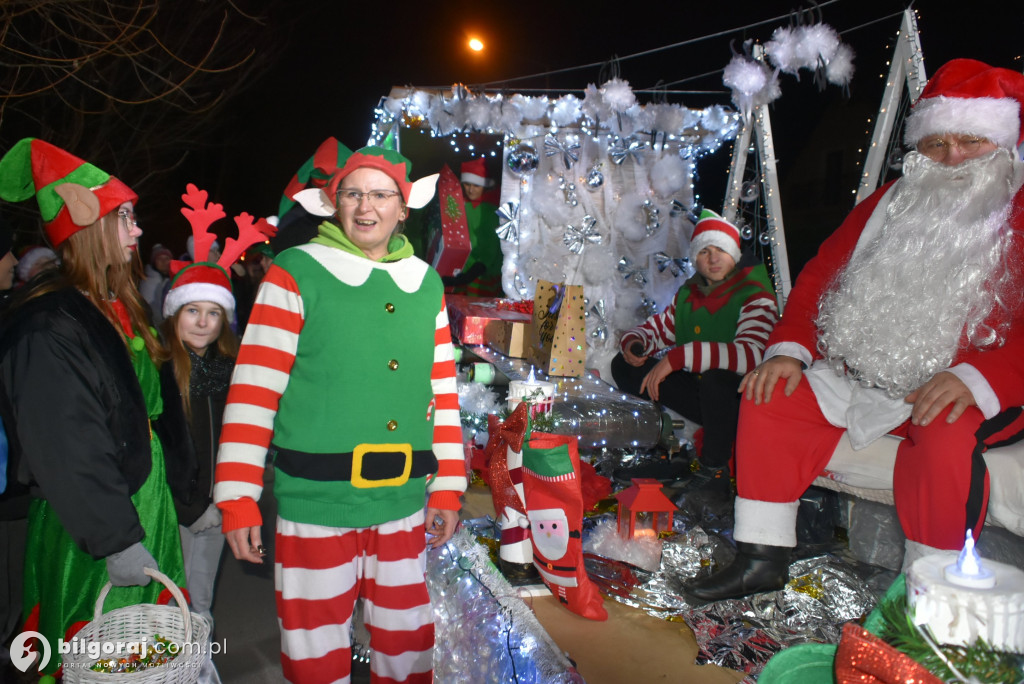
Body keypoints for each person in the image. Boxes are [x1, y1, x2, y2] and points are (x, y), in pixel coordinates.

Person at [688, 59, 1024, 601]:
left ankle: (930, 595)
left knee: (942, 429)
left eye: (972, 141)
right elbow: (819, 278)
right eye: (936, 145)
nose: (953, 158)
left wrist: (977, 378)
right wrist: (789, 350)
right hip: (864, 374)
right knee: (771, 395)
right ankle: (761, 557)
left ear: (1003, 141)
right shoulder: (889, 203)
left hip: (973, 382)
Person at [214, 146, 465, 683]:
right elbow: (254, 390)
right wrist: (237, 497)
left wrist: (447, 488)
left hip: (401, 502)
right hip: (315, 503)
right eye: (353, 193)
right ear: (333, 203)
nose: (365, 207)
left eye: (380, 194)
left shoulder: (426, 283)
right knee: (313, 649)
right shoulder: (295, 271)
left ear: (404, 208)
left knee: (407, 644)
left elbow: (441, 394)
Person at [0, 138, 192, 674]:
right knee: (102, 651)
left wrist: (188, 496)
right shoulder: (50, 326)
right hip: (95, 522)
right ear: (86, 226)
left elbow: (155, 415)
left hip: (143, 502)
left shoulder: (113, 305)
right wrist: (115, 540)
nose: (137, 231)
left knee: (149, 653)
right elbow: (67, 444)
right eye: (124, 217)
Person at [611, 210, 778, 498]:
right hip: (704, 399)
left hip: (742, 404)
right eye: (704, 251)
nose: (713, 259)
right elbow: (657, 329)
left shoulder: (755, 295)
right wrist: (635, 344)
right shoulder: (690, 295)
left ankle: (714, 468)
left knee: (717, 378)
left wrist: (678, 357)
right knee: (623, 366)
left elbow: (752, 356)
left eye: (721, 250)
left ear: (735, 254)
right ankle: (664, 446)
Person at [160, 184, 267, 625]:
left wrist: (222, 501)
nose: (202, 322)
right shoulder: (160, 368)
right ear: (173, 314)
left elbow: (239, 438)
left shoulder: (231, 367)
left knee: (198, 603)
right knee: (163, 602)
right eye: (192, 311)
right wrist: (187, 506)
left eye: (213, 313)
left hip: (215, 508)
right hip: (170, 510)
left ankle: (196, 668)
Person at [442, 157, 504, 296]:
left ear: (485, 186)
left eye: (476, 186)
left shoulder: (488, 211)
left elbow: (489, 248)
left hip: (481, 275)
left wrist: (470, 275)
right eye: (467, 184)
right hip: (463, 270)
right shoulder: (461, 205)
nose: (470, 190)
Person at [139, 243, 173, 324]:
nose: (164, 262)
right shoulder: (148, 282)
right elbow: (151, 311)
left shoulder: (172, 279)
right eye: (159, 259)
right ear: (154, 262)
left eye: (167, 258)